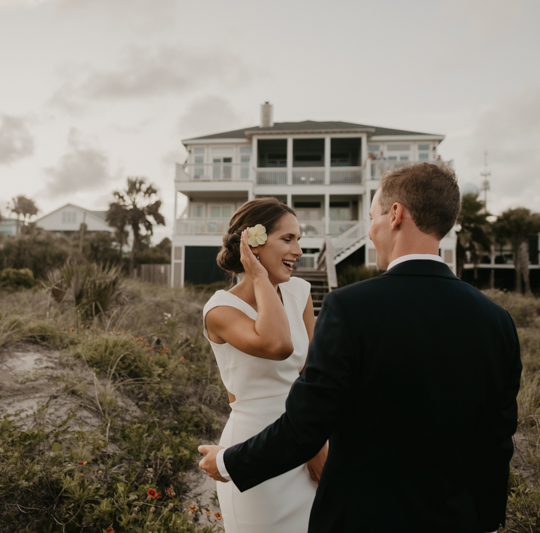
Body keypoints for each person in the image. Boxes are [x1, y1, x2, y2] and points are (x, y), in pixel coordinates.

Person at [199, 163, 522, 533]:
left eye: (372, 217)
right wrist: (488, 520)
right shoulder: (498, 321)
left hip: (364, 512)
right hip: (457, 516)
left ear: (395, 214)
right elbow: (497, 441)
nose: (369, 231)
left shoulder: (351, 308)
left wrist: (228, 464)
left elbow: (312, 416)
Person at [200, 197, 326, 533]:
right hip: (252, 450)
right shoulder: (220, 310)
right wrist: (258, 276)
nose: (298, 250)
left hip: (302, 440)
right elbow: (278, 344)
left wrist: (315, 442)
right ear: (252, 243)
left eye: (299, 239)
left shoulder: (299, 291)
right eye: (288, 239)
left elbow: (314, 375)